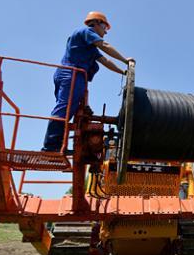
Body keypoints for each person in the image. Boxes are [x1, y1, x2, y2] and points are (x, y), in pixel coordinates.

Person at [42, 11, 134, 152]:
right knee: (64, 109)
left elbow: (106, 61)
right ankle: (51, 146)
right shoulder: (86, 32)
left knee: (68, 110)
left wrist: (123, 72)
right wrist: (125, 60)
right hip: (71, 74)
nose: (105, 32)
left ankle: (58, 145)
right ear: (96, 23)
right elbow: (105, 46)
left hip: (74, 75)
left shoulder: (89, 46)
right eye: (105, 27)